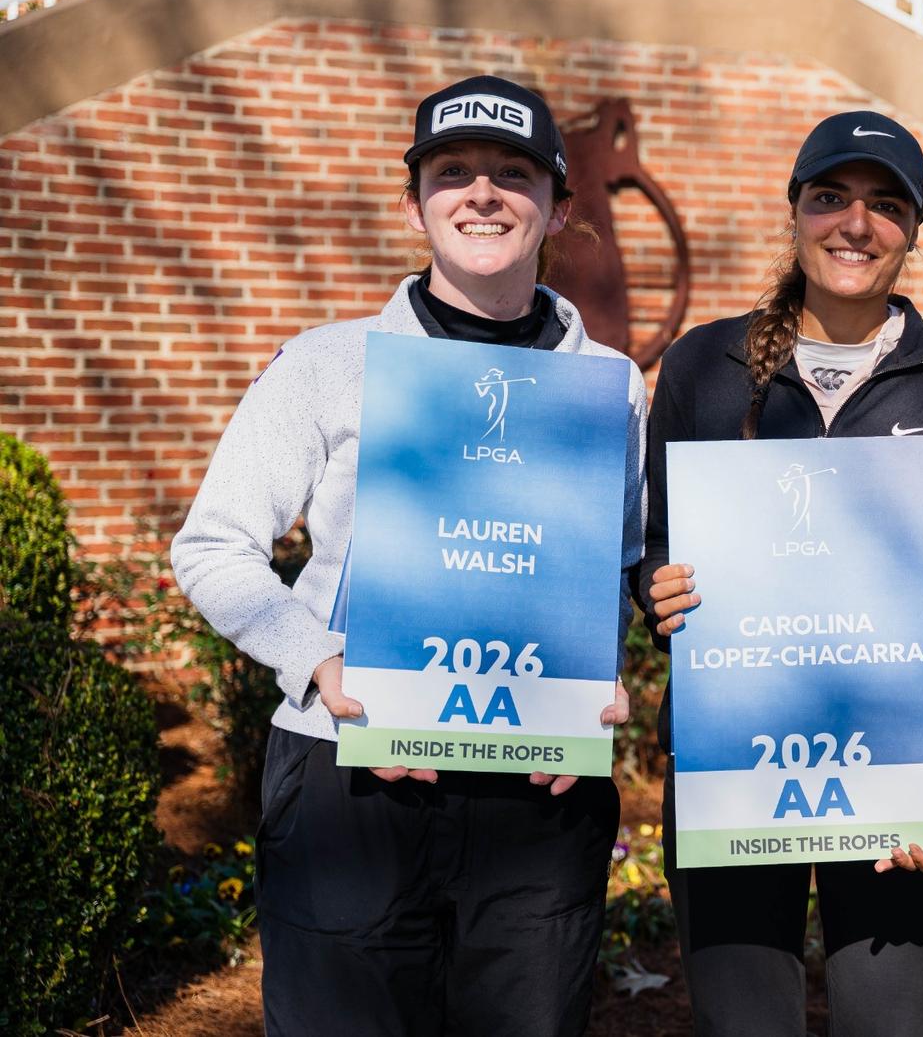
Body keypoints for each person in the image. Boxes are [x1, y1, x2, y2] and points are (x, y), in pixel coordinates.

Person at [170, 75, 645, 1036]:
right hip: (352, 780)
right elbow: (213, 547)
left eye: (514, 174)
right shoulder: (326, 364)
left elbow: (618, 567)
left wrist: (598, 677)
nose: (482, 193)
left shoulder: (610, 386)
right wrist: (317, 658)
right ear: (414, 200)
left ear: (556, 207)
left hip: (537, 796)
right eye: (452, 170)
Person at [639, 111, 923, 1035]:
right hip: (732, 758)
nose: (857, 224)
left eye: (886, 205)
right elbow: (654, 542)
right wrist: (657, 590)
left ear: (914, 230)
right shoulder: (703, 367)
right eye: (832, 198)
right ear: (796, 213)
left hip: (894, 768)